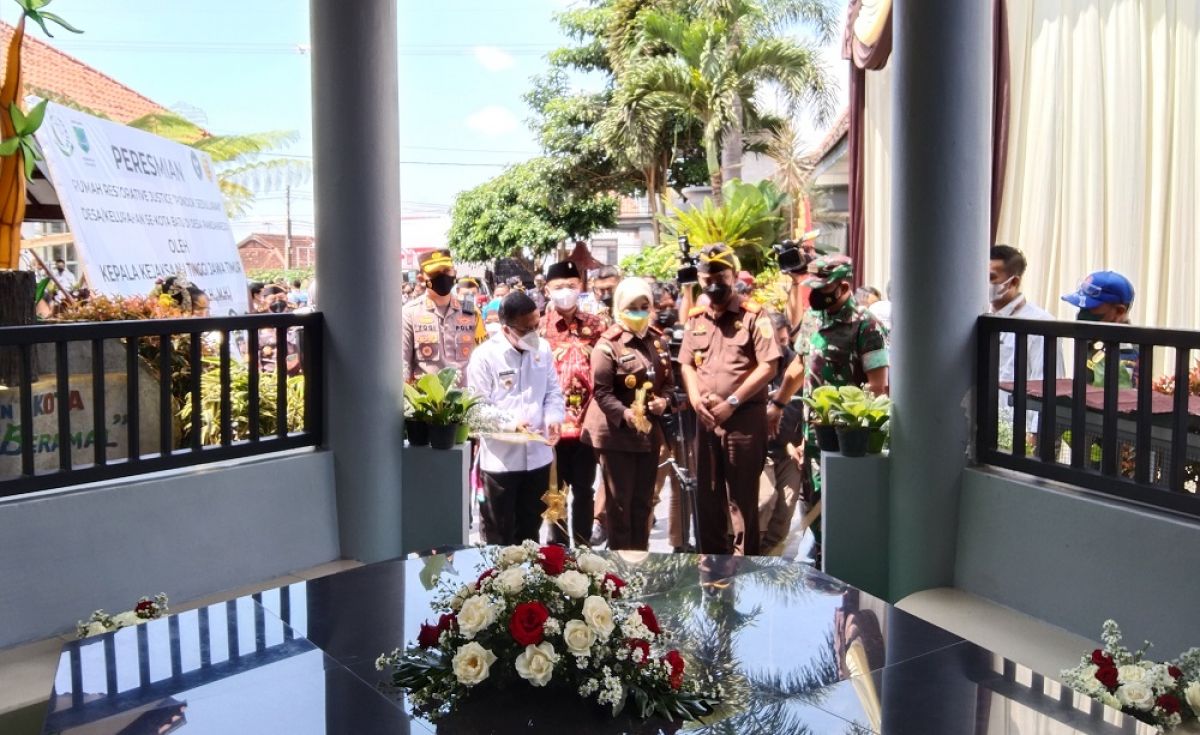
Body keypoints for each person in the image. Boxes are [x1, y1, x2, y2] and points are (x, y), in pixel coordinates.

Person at [679, 243, 781, 555]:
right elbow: (685, 363)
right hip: (706, 420)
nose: (714, 283)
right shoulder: (696, 319)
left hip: (743, 421)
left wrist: (732, 402)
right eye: (707, 277)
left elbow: (769, 366)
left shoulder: (754, 316)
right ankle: (711, 571)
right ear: (699, 277)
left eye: (720, 275)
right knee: (707, 498)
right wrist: (696, 400)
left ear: (733, 275)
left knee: (742, 500)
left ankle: (743, 568)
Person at [581, 278, 674, 550]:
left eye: (645, 306)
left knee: (643, 503)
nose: (640, 312)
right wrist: (625, 414)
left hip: (647, 434)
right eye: (632, 307)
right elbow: (601, 392)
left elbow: (668, 383)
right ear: (619, 307)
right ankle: (619, 570)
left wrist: (664, 402)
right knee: (619, 505)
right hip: (615, 435)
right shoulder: (608, 345)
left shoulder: (657, 342)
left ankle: (639, 561)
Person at [466, 292, 564, 544]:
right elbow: (476, 410)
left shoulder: (542, 348)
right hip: (501, 463)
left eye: (536, 326)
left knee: (530, 534)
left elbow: (553, 390)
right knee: (499, 536)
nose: (533, 333)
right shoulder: (485, 356)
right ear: (506, 329)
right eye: (526, 329)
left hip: (538, 458)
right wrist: (511, 424)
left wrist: (553, 417)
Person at [539, 260, 605, 545]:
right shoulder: (539, 327)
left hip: (587, 422)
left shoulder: (597, 325)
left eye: (571, 285)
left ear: (581, 287)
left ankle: (585, 546)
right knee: (555, 491)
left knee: (584, 489)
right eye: (558, 287)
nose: (565, 291)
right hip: (551, 424)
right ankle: (557, 550)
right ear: (546, 290)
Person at [757, 312, 807, 556]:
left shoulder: (798, 366)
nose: (779, 347)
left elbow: (807, 405)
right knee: (763, 503)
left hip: (791, 450)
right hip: (760, 450)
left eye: (785, 341)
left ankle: (771, 564)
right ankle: (749, 561)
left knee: (785, 510)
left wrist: (801, 442)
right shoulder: (754, 364)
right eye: (774, 342)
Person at [401, 249, 478, 384]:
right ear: (421, 278)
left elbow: (480, 355)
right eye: (435, 273)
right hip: (429, 402)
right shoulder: (410, 313)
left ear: (454, 272)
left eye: (446, 271)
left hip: (465, 399)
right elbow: (403, 364)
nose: (442, 277)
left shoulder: (470, 310)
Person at [990, 245, 1064, 384]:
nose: (985, 283)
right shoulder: (980, 316)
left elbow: (1046, 387)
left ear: (1013, 282)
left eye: (992, 277)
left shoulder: (1042, 324)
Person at [1061, 270, 1138, 385]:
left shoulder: (1126, 353)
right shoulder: (1096, 340)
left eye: (1091, 308)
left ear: (1119, 311)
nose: (1082, 314)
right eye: (1082, 308)